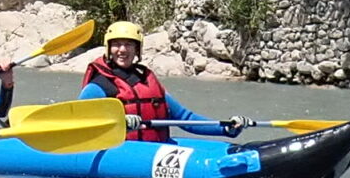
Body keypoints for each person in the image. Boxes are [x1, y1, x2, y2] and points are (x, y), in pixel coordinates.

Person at [77, 21, 242, 142]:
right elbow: (81, 125)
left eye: (128, 44)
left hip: (154, 148)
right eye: (116, 44)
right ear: (108, 48)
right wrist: (119, 123)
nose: (122, 50)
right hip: (120, 153)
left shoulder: (146, 81)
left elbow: (184, 117)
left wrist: (226, 127)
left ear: (137, 49)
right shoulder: (98, 86)